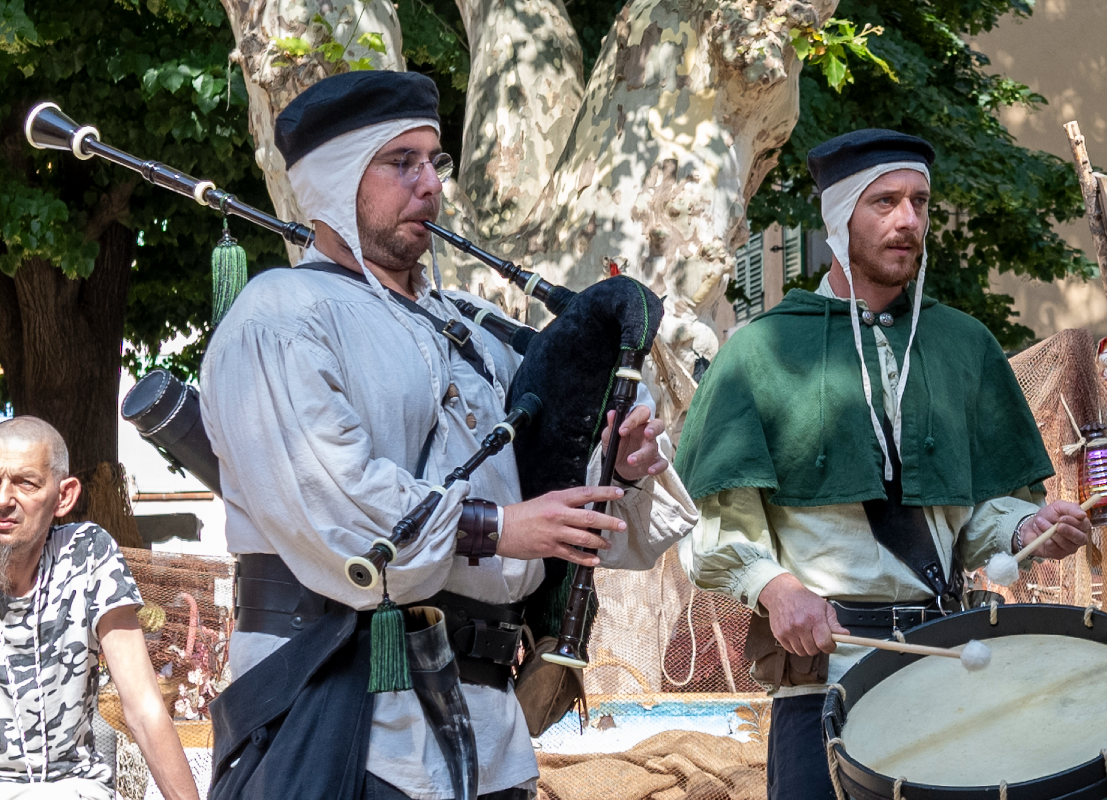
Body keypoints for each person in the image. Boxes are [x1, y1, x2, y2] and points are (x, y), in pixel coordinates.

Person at [200, 70, 690, 800]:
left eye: (436, 161)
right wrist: (504, 528)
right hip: (346, 716)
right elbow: (344, 516)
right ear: (336, 183)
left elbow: (557, 503)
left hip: (489, 730)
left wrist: (614, 466)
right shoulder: (281, 318)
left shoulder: (468, 326)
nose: (429, 185)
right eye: (401, 163)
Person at [675, 128, 1093, 800]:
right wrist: (778, 590)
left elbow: (973, 509)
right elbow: (718, 527)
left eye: (920, 203)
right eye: (885, 202)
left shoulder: (962, 346)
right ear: (839, 219)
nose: (908, 221)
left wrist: (1025, 528)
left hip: (942, 667)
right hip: (822, 672)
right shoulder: (760, 351)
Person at [0, 418, 200, 800]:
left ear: (64, 497)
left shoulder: (87, 554)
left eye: (25, 482)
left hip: (72, 788)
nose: (3, 499)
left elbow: (143, 707)